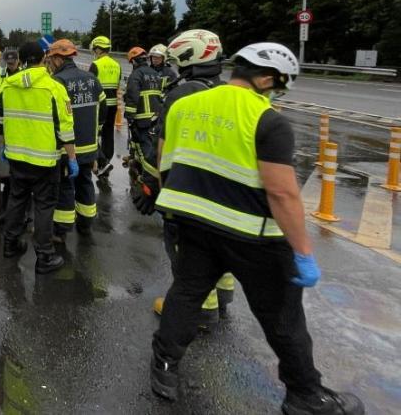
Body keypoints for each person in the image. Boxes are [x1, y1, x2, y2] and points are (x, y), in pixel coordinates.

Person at [149, 41, 364, 415]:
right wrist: (303, 252)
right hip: (254, 236)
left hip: (193, 224)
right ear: (265, 78)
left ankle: (164, 367)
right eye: (279, 84)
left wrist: (178, 208)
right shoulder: (268, 120)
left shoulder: (183, 105)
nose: (278, 92)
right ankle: (305, 395)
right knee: (283, 316)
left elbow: (165, 161)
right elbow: (282, 193)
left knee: (185, 295)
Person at [141, 30, 235, 328]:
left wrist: (153, 185)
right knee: (220, 242)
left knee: (184, 247)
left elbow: (163, 149)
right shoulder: (227, 90)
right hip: (222, 184)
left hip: (187, 185)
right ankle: (222, 296)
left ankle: (198, 310)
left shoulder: (181, 93)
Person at [0, 41, 77, 274]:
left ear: (21, 60)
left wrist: (5, 147)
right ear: (43, 58)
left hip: (16, 158)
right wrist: (71, 158)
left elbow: (0, 122)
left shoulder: (7, 86)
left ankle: (10, 245)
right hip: (46, 162)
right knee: (43, 207)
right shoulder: (54, 88)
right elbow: (66, 130)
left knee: (16, 200)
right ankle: (44, 256)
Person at [45, 39, 105, 238]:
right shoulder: (92, 79)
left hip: (66, 147)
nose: (51, 63)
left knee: (65, 186)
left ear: (58, 59)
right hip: (89, 145)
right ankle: (86, 223)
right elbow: (103, 110)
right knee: (86, 181)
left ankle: (61, 230)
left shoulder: (57, 82)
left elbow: (53, 116)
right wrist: (95, 132)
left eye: (52, 59)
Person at [88, 36, 120, 180]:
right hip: (113, 105)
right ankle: (107, 161)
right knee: (108, 135)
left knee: (94, 135)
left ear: (99, 49)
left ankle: (102, 162)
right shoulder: (117, 64)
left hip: (100, 106)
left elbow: (90, 86)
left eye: (95, 49)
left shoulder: (95, 64)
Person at [122, 46, 162, 152]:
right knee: (153, 145)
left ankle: (144, 167)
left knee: (144, 147)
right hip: (156, 117)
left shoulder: (136, 74)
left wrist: (129, 116)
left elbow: (132, 96)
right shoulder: (155, 74)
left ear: (134, 61)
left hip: (142, 118)